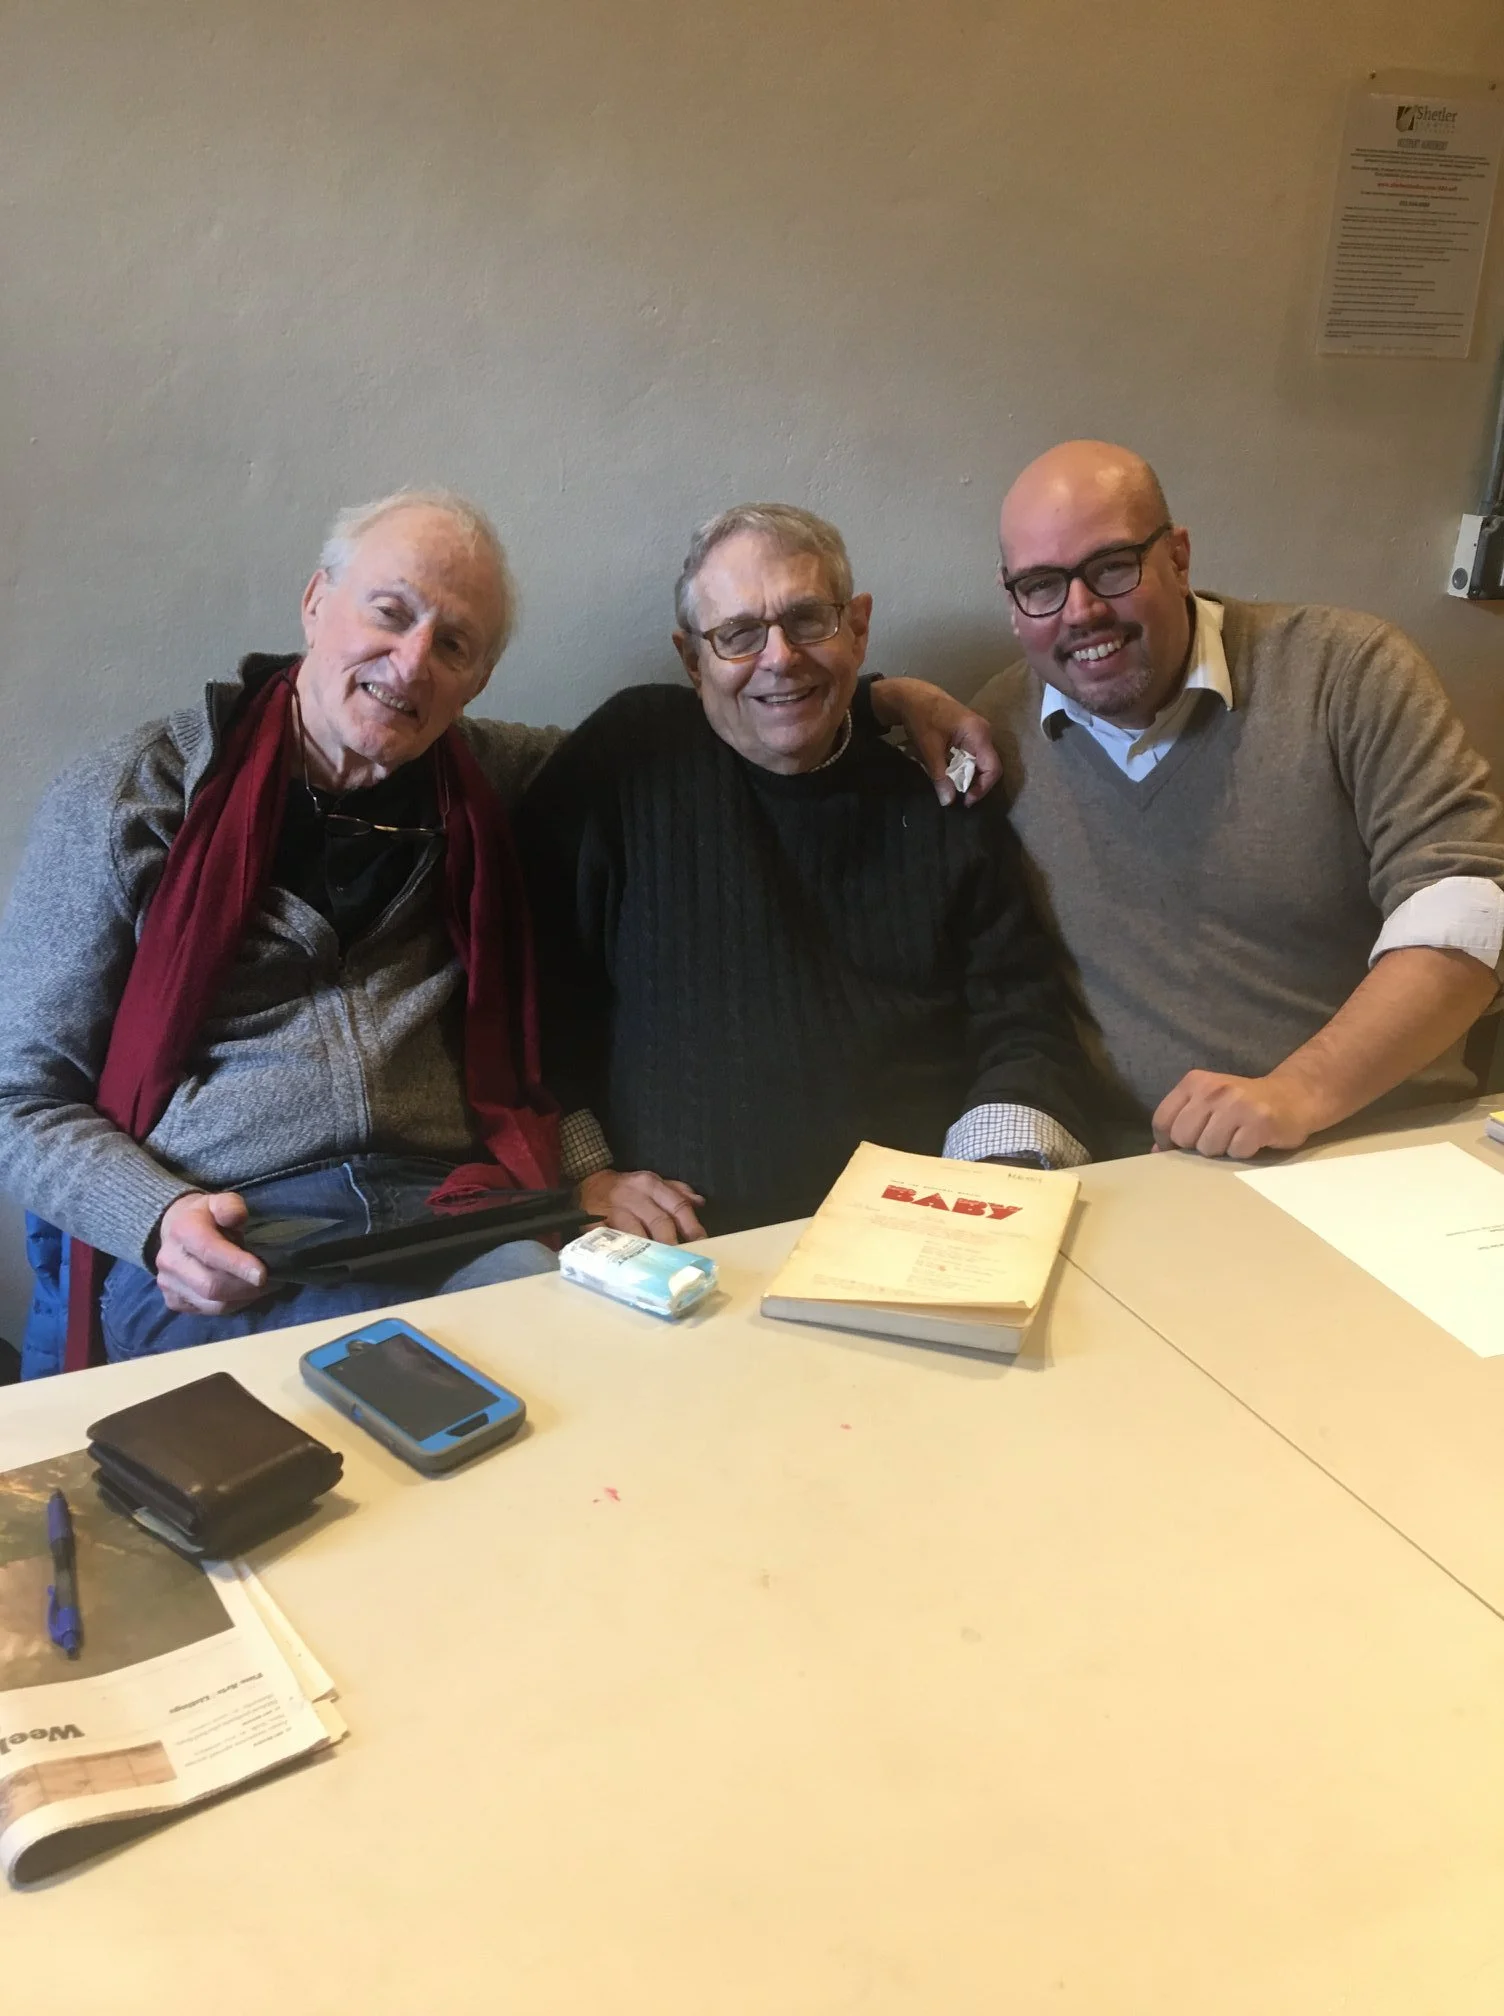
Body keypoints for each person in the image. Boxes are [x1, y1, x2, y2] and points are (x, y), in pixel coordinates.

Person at [0, 489, 1001, 1372]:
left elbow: (730, 719)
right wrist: (153, 1217)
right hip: (229, 1243)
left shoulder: (489, 774)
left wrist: (873, 700)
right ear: (315, 602)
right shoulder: (136, 797)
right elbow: (19, 1097)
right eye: (390, 614)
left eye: (454, 645)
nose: (410, 665)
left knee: (602, 1365)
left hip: (450, 1220)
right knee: (398, 1400)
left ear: (476, 680)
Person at [516, 503, 1104, 1244]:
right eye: (738, 635)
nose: (780, 657)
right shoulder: (626, 763)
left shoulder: (939, 802)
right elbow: (524, 991)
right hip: (677, 1251)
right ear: (692, 661)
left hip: (912, 1237)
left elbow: (1024, 1025)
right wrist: (585, 1175)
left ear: (857, 627)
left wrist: (982, 1191)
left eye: (807, 620)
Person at [970, 439, 1504, 1159]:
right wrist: (893, 699)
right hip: (1150, 1168)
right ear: (1012, 601)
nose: (1081, 611)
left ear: (1178, 557)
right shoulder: (994, 732)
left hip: (1381, 1145)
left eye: (1113, 567)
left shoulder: (1346, 671)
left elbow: (1471, 911)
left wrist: (1298, 1092)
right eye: (1041, 585)